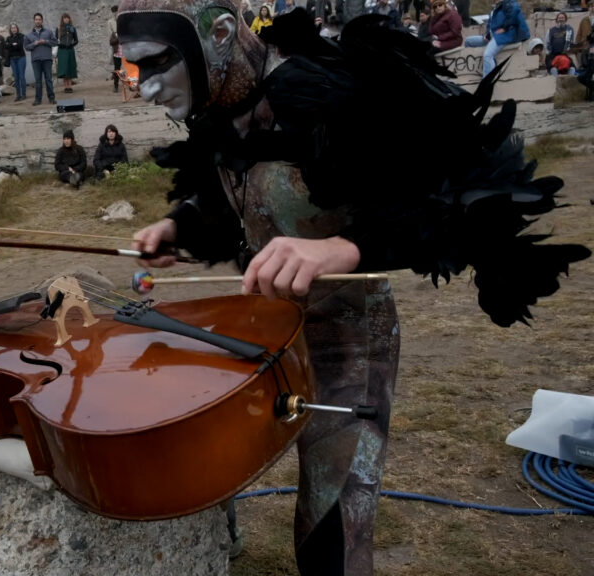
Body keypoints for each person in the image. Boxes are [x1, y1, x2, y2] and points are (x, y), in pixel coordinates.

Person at [118, 3, 587, 574]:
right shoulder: (217, 105)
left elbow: (456, 191)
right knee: (207, 462)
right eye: (134, 70)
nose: (144, 89)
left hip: (345, 343)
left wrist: (348, 245)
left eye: (157, 63)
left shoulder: (328, 85)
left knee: (330, 535)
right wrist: (181, 225)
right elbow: (244, 191)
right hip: (260, 336)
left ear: (218, 33)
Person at [463, 0, 529, 77]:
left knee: (488, 55)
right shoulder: (495, 8)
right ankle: (474, 71)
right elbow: (491, 25)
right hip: (493, 37)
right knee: (469, 41)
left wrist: (505, 28)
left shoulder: (509, 3)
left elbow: (514, 13)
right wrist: (487, 35)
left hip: (506, 35)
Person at [25, 12, 57, 105]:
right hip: (36, 60)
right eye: (36, 19)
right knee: (38, 81)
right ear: (34, 21)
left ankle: (51, 98)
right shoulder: (29, 35)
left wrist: (46, 41)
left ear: (42, 20)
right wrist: (34, 44)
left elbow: (55, 42)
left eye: (39, 19)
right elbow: (26, 47)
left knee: (48, 79)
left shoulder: (48, 32)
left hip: (47, 59)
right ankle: (38, 99)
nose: (38, 21)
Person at [56, 13, 79, 93]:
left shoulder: (72, 29)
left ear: (69, 19)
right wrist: (60, 44)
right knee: (64, 69)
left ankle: (70, 86)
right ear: (62, 20)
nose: (66, 19)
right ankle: (65, 86)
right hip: (62, 51)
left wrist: (71, 44)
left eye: (67, 18)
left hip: (70, 50)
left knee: (70, 68)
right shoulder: (58, 29)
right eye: (64, 18)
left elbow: (76, 40)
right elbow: (55, 40)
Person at [7, 22, 28, 101]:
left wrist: (12, 45)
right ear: (10, 29)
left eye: (15, 28)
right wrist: (13, 45)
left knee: (21, 76)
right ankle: (18, 95)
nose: (13, 29)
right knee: (16, 77)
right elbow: (7, 47)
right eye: (12, 28)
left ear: (17, 28)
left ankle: (24, 94)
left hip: (21, 58)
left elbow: (20, 45)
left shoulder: (21, 36)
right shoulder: (8, 38)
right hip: (13, 59)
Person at [109, 6, 123, 93]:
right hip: (116, 47)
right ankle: (116, 85)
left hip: (124, 46)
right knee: (117, 67)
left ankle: (131, 85)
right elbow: (110, 36)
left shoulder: (123, 20)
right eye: (114, 12)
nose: (116, 13)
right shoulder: (110, 22)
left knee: (129, 67)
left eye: (117, 11)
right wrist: (117, 36)